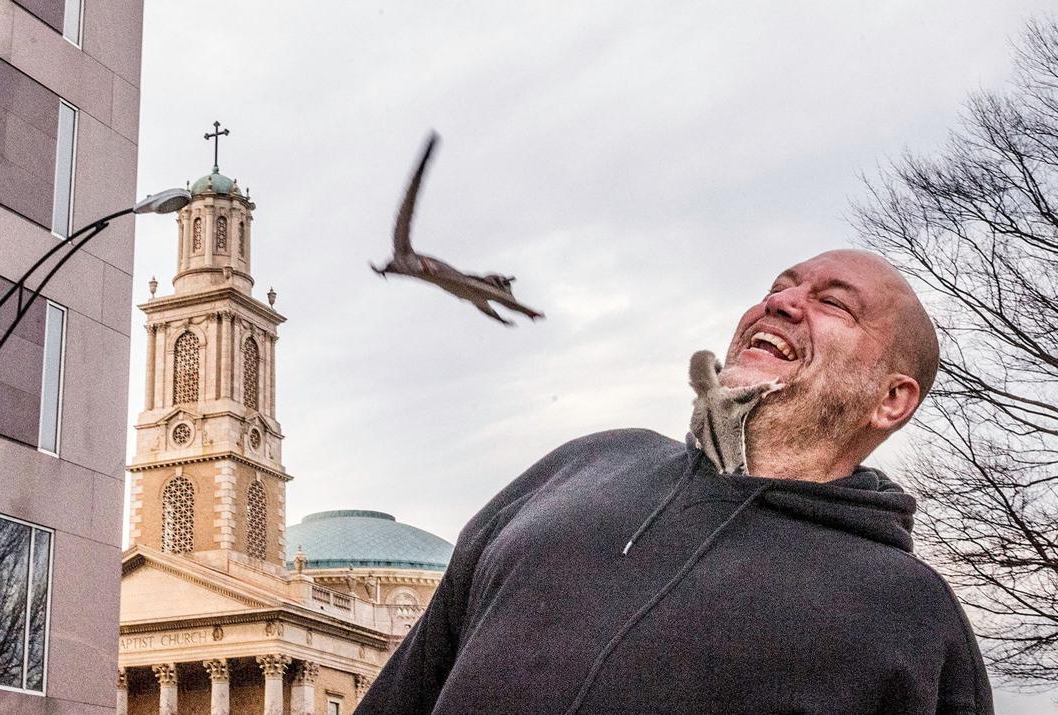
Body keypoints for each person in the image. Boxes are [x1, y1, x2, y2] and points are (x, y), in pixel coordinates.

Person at [354, 249, 993, 715]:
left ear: (890, 400)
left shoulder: (911, 615)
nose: (780, 302)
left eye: (832, 303)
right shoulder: (581, 468)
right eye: (778, 286)